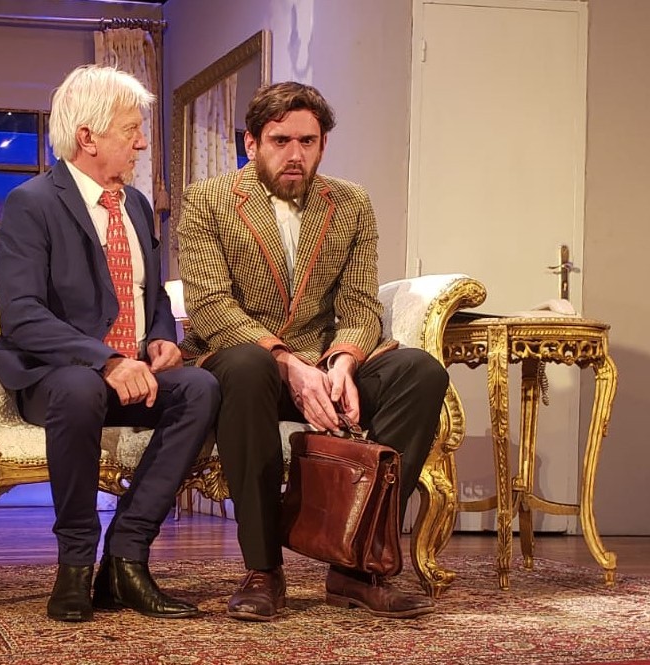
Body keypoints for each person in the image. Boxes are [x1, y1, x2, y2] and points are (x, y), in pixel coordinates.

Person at [177, 81, 448, 622]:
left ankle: (358, 567)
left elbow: (360, 303)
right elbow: (209, 306)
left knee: (420, 371)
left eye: (308, 141)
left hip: (324, 369)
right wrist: (288, 363)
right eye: (281, 141)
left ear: (323, 144)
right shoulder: (207, 200)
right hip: (243, 363)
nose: (295, 154)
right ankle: (263, 570)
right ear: (252, 143)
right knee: (250, 366)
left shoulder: (350, 202)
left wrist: (344, 362)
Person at [0, 64, 220, 623]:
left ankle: (126, 556)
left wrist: (161, 338)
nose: (141, 143)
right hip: (57, 375)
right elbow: (22, 315)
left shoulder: (135, 204)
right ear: (88, 137)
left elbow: (152, 294)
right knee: (79, 388)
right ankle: (74, 565)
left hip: (133, 372)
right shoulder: (32, 202)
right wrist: (108, 360)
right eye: (131, 130)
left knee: (201, 388)